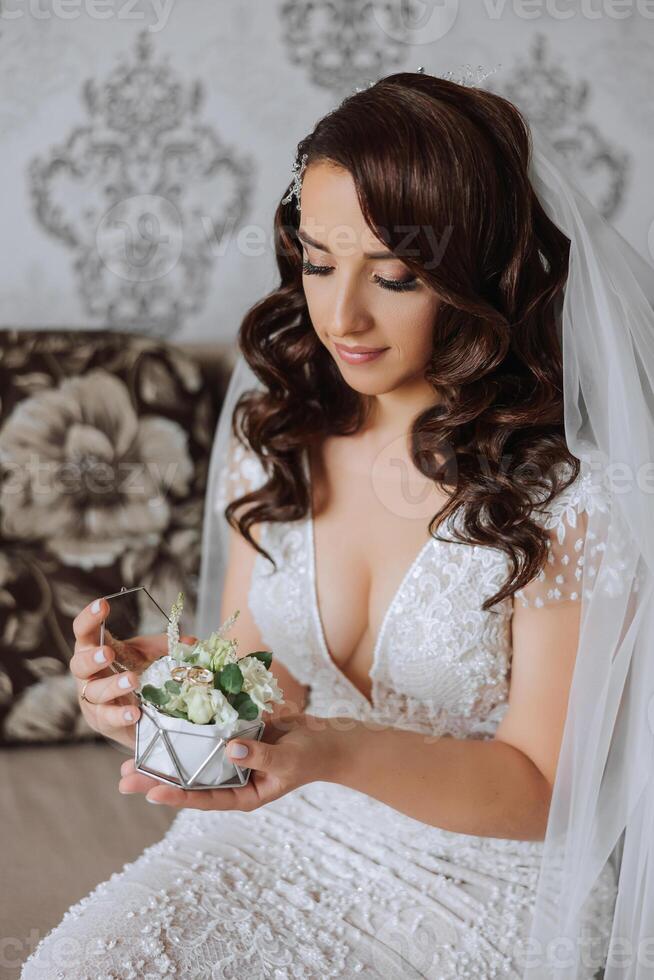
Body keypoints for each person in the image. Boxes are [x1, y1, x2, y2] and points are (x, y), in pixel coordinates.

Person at [20, 69, 650, 979]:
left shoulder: (564, 495)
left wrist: (336, 753)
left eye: (394, 276)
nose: (341, 315)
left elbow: (543, 790)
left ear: (477, 274)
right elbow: (270, 692)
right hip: (279, 834)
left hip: (481, 883)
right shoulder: (274, 436)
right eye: (319, 262)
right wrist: (165, 696)